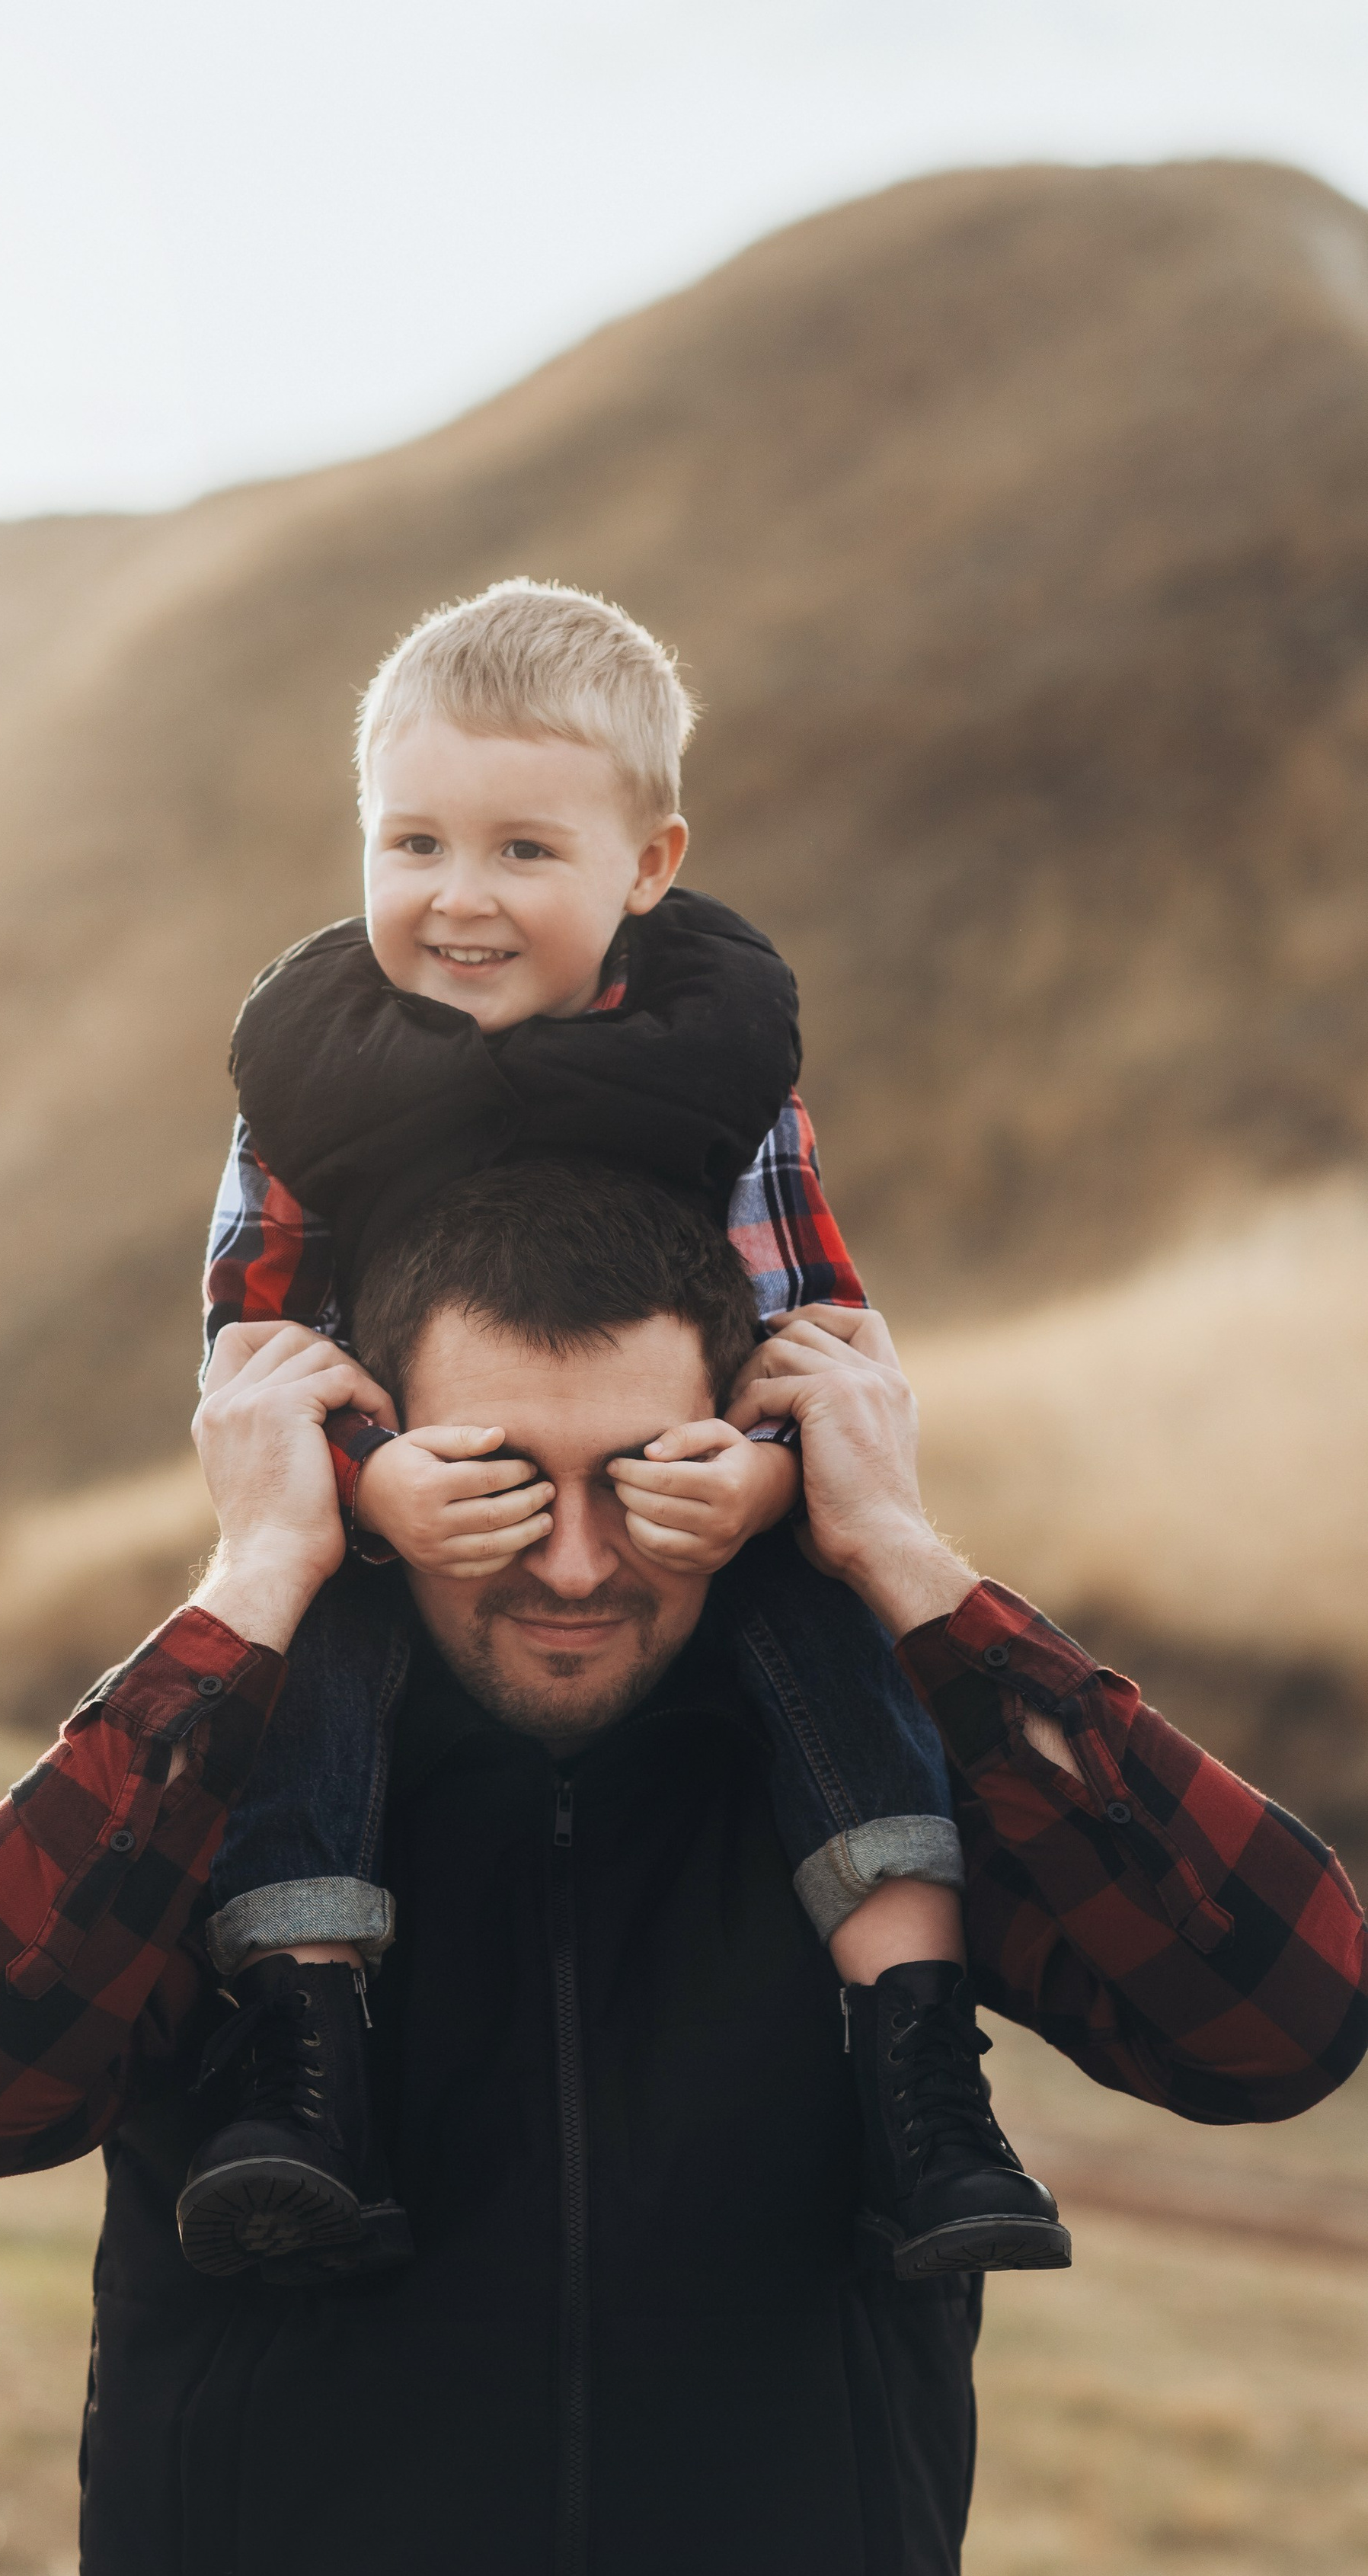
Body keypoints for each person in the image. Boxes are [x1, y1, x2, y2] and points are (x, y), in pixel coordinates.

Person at [0, 1163, 1366, 2576]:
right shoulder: (242, 1784)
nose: (573, 1566)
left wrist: (899, 1554)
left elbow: (1274, 2013)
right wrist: (257, 1570)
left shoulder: (866, 1775)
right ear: (376, 1463)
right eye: (496, 1484)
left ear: (739, 1459)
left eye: (639, 1483)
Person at [185, 578, 1063, 2288]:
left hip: (680, 1513)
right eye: (412, 843)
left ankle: (919, 2074)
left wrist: (758, 1479)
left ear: (647, 867)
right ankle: (295, 2067)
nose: (457, 900)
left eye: (524, 851)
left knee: (834, 1649)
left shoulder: (721, 1075)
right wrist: (366, 1489)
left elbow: (816, 1325)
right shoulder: (308, 1084)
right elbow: (247, 1351)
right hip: (404, 1521)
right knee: (305, 1671)